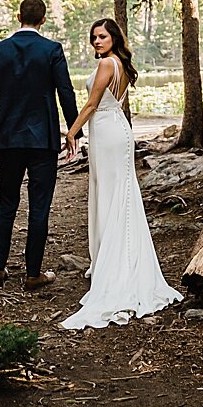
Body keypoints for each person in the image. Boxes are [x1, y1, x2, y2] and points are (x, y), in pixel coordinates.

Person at [59, 18, 182, 330]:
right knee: (119, 197)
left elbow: (90, 105)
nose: (96, 41)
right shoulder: (122, 64)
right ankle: (116, 261)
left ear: (113, 38)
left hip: (107, 132)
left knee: (114, 197)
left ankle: (116, 270)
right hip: (115, 130)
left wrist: (72, 133)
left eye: (102, 36)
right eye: (94, 37)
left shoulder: (107, 66)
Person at [0, 0, 79, 291]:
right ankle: (32, 274)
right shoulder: (52, 50)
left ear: (18, 16)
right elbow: (65, 92)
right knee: (39, 206)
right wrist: (75, 131)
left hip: (8, 140)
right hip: (42, 140)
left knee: (6, 202)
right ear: (43, 20)